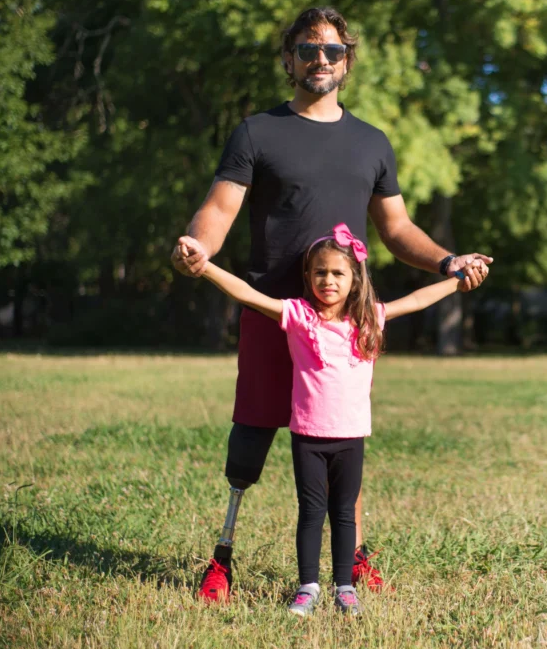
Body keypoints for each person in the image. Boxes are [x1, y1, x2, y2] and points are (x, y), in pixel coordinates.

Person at [170, 6, 492, 603]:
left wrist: (448, 261)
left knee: (342, 439)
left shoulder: (372, 143)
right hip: (274, 313)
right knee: (250, 438)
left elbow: (397, 229)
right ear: (288, 59)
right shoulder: (256, 132)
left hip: (345, 326)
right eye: (308, 49)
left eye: (333, 50)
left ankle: (354, 559)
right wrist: (199, 248)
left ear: (347, 61)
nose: (321, 59)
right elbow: (218, 209)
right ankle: (222, 557)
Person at [197, 223, 465, 615]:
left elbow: (418, 299)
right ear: (308, 277)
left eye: (338, 273)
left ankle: (345, 588)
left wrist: (458, 280)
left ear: (354, 279)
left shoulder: (369, 319)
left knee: (343, 514)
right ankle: (308, 587)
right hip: (308, 436)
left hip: (350, 438)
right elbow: (246, 293)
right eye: (320, 272)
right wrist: (205, 266)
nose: (328, 280)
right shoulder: (299, 316)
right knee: (310, 513)